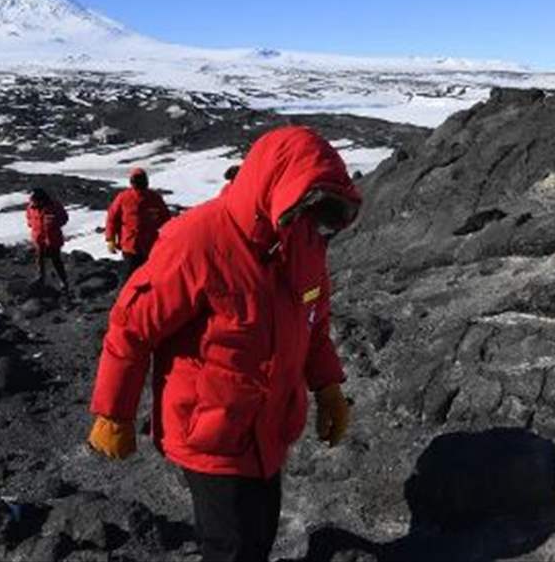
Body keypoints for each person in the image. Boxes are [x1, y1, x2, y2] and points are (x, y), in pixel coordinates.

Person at [86, 126, 362, 562]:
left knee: (260, 534)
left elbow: (314, 324)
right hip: (210, 434)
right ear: (276, 187)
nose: (313, 223)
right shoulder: (198, 239)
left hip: (269, 431)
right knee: (231, 547)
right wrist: (115, 413)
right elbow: (131, 327)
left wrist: (327, 389)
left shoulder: (306, 243)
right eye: (307, 207)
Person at [105, 167, 171, 281]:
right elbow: (112, 218)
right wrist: (110, 239)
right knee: (129, 277)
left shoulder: (154, 197)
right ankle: (125, 298)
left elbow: (166, 219)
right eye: (136, 180)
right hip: (130, 245)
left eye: (141, 180)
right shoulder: (123, 197)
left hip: (149, 244)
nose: (138, 182)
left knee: (149, 276)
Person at [25, 187, 71, 293]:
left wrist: (53, 223)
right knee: (39, 259)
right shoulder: (31, 207)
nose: (33, 201)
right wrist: (32, 225)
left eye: (35, 199)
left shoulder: (54, 205)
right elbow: (28, 217)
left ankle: (63, 281)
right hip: (38, 237)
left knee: (56, 260)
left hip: (52, 237)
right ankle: (41, 277)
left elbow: (64, 218)